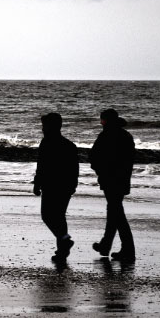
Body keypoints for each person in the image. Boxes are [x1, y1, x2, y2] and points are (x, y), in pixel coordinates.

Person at [89, 108, 136, 262]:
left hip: (111, 179)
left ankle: (126, 248)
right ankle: (106, 245)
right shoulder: (125, 136)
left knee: (116, 214)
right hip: (122, 179)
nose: (101, 123)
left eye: (102, 120)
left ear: (106, 121)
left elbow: (94, 156)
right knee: (114, 211)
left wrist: (100, 170)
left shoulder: (107, 135)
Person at [33, 112, 79, 261]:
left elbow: (41, 166)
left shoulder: (46, 143)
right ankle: (62, 251)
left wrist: (37, 183)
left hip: (51, 185)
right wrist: (73, 185)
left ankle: (64, 241)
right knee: (59, 217)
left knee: (47, 216)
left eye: (44, 126)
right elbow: (74, 169)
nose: (42, 129)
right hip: (65, 186)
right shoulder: (69, 145)